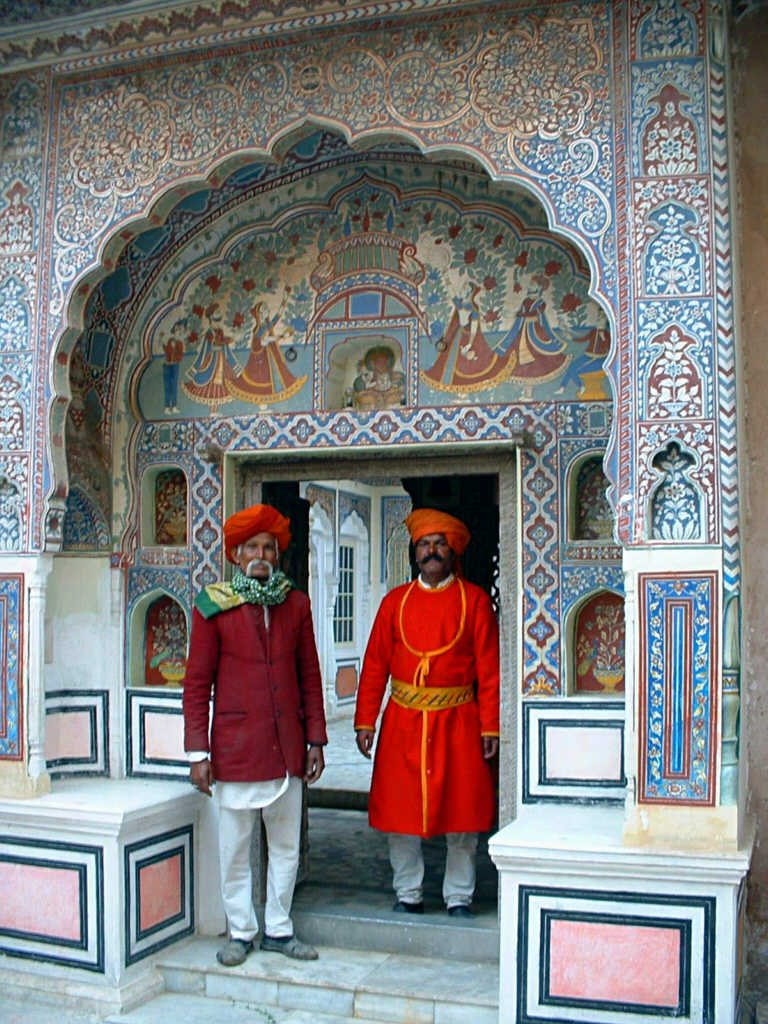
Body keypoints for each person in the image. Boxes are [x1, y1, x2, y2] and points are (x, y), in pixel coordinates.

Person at [183, 503, 327, 966]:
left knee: (285, 847)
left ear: (278, 555)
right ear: (236, 554)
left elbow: (309, 674)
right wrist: (198, 752)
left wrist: (317, 740)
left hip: (286, 748)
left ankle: (280, 929)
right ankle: (241, 930)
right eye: (253, 548)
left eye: (269, 547)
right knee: (234, 849)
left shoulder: (296, 604)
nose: (261, 555)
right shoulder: (213, 605)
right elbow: (196, 682)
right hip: (235, 749)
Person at [354, 508, 499, 917]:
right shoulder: (394, 603)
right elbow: (375, 664)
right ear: (413, 552)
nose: (432, 551)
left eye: (439, 544)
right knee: (401, 817)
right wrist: (366, 719)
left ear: (452, 551)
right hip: (402, 721)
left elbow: (490, 670)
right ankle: (408, 894)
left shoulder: (474, 601)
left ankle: (458, 897)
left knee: (462, 815)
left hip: (459, 722)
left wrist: (491, 725)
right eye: (424, 544)